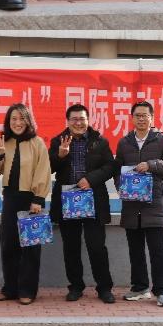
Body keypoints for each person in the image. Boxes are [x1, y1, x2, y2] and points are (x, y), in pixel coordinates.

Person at [112, 100, 163, 308]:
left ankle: (162, 291)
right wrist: (121, 187)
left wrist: (151, 165)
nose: (141, 119)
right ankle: (140, 288)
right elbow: (117, 169)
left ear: (152, 118)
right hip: (132, 206)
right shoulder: (124, 143)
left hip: (154, 205)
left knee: (158, 251)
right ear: (132, 118)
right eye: (137, 115)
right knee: (136, 251)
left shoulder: (162, 140)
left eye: (145, 115)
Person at [48, 104, 116, 304]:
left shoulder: (99, 141)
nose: (78, 123)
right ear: (68, 121)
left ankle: (104, 288)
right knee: (71, 248)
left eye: (82, 119)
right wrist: (60, 155)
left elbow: (110, 167)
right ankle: (76, 287)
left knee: (97, 247)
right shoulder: (58, 141)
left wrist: (91, 179)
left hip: (93, 201)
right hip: (68, 202)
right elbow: (49, 168)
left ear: (88, 120)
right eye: (74, 119)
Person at [0, 103, 50, 305]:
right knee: (8, 243)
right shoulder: (4, 142)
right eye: (13, 119)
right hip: (10, 198)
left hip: (30, 199)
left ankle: (27, 290)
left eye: (21, 118)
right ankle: (10, 288)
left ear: (28, 121)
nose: (17, 123)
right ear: (8, 122)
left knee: (30, 246)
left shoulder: (37, 143)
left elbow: (43, 171)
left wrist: (38, 199)